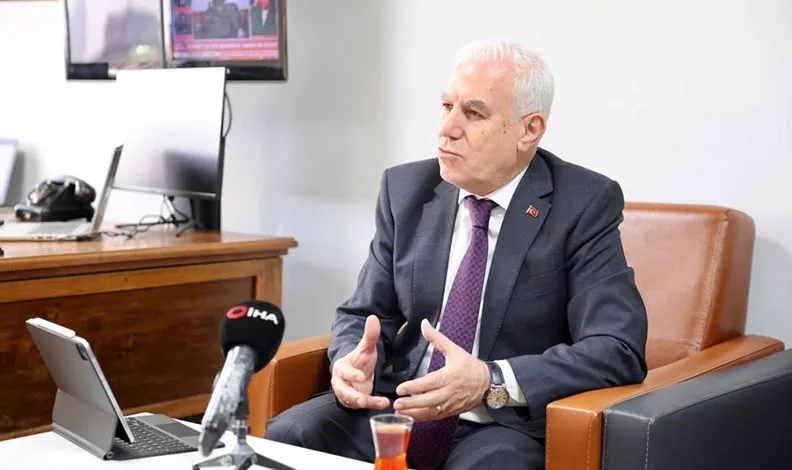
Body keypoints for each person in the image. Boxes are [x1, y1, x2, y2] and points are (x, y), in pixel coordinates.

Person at [265, 39, 649, 470]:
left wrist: (489, 380)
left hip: (501, 423)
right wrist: (351, 360)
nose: (447, 128)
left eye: (474, 113)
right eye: (447, 106)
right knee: (288, 438)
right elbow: (363, 313)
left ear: (529, 130)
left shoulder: (583, 204)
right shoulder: (405, 190)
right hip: (400, 404)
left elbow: (616, 347)